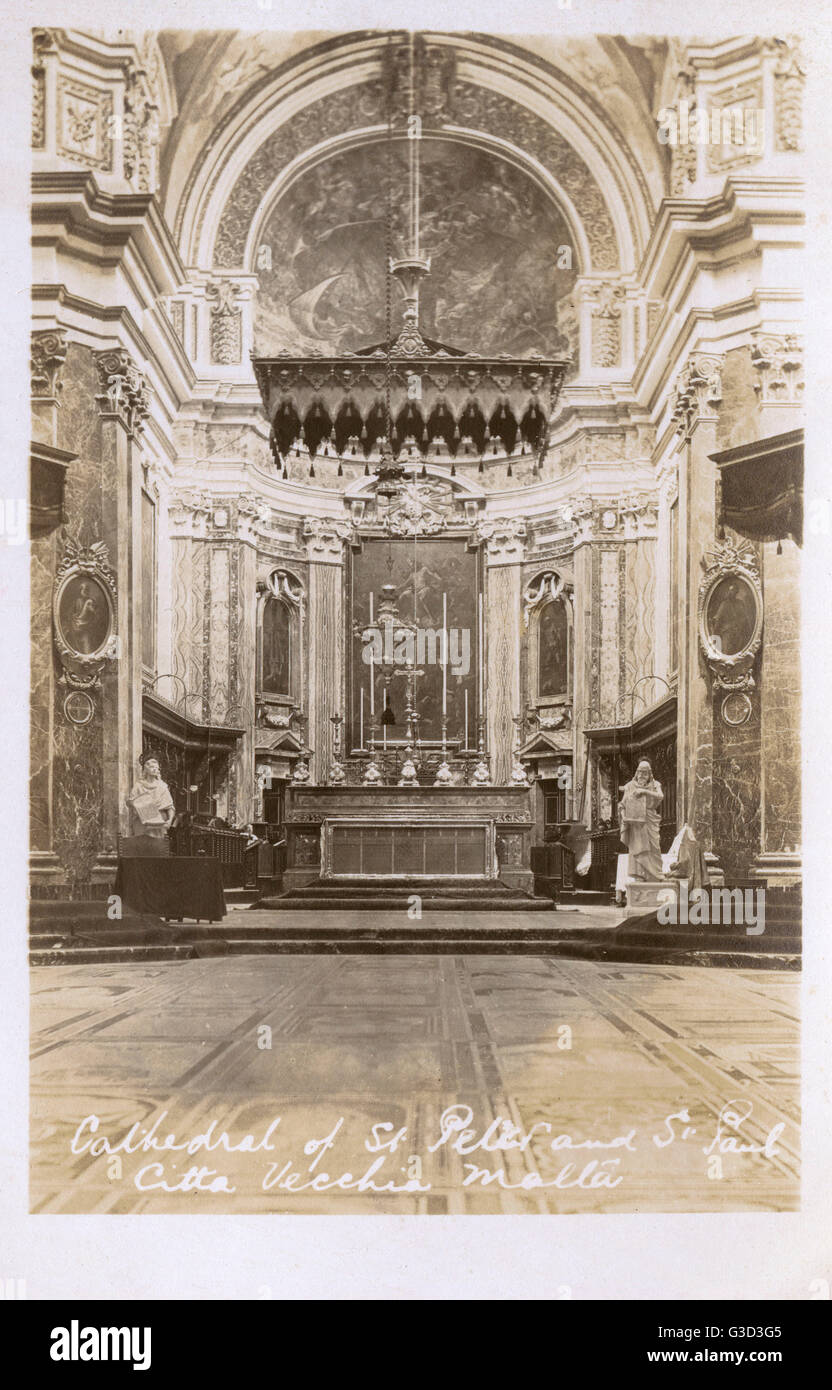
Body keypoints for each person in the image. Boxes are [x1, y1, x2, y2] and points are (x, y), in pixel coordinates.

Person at [617, 758, 664, 881]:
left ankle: (655, 876)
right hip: (636, 824)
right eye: (640, 772)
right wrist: (624, 817)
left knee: (655, 847)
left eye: (645, 773)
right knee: (637, 849)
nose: (642, 775)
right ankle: (640, 876)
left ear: (650, 774)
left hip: (650, 820)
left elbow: (660, 796)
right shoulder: (629, 786)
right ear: (636, 773)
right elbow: (622, 805)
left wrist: (644, 791)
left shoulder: (655, 784)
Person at [125, 754, 175, 845]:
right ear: (146, 769)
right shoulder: (138, 786)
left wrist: (170, 821)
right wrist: (136, 804)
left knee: (157, 850)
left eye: (157, 767)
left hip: (159, 824)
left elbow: (170, 807)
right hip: (142, 824)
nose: (155, 769)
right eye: (152, 767)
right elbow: (130, 802)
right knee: (142, 849)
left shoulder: (162, 787)